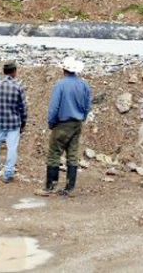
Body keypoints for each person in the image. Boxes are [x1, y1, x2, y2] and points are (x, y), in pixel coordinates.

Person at [42, 56, 92, 196]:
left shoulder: (60, 85)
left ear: (64, 69)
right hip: (77, 123)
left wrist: (52, 123)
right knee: (73, 154)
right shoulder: (84, 85)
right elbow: (88, 106)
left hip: (62, 124)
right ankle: (70, 188)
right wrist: (82, 118)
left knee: (54, 154)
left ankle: (50, 186)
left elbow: (54, 108)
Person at [0, 62, 28, 183]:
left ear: (4, 72)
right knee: (12, 148)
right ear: (15, 72)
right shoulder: (18, 86)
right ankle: (8, 174)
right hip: (14, 123)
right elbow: (23, 108)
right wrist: (23, 123)